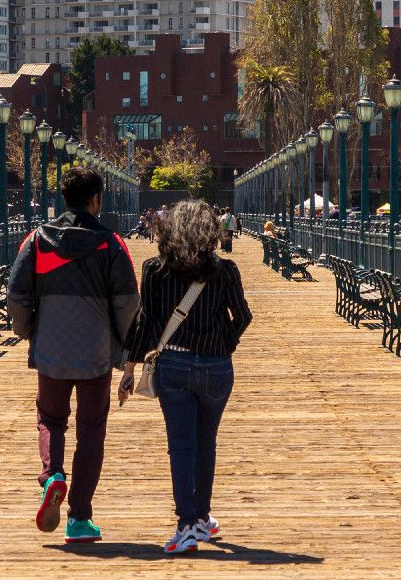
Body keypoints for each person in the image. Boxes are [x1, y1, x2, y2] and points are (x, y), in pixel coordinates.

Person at [6, 164, 140, 545]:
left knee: (50, 419)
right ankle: (79, 518)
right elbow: (128, 302)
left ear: (63, 198)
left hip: (51, 349)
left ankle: (53, 476)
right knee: (92, 430)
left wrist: (30, 331)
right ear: (96, 200)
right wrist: (126, 345)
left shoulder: (36, 240)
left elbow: (16, 296)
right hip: (96, 351)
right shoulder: (111, 244)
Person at [120, 198, 252, 555]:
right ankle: (202, 518)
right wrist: (223, 343)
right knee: (206, 442)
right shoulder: (225, 271)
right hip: (216, 368)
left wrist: (130, 367)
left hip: (174, 367)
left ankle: (186, 526)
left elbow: (145, 322)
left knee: (181, 446)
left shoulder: (153, 270)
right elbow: (242, 317)